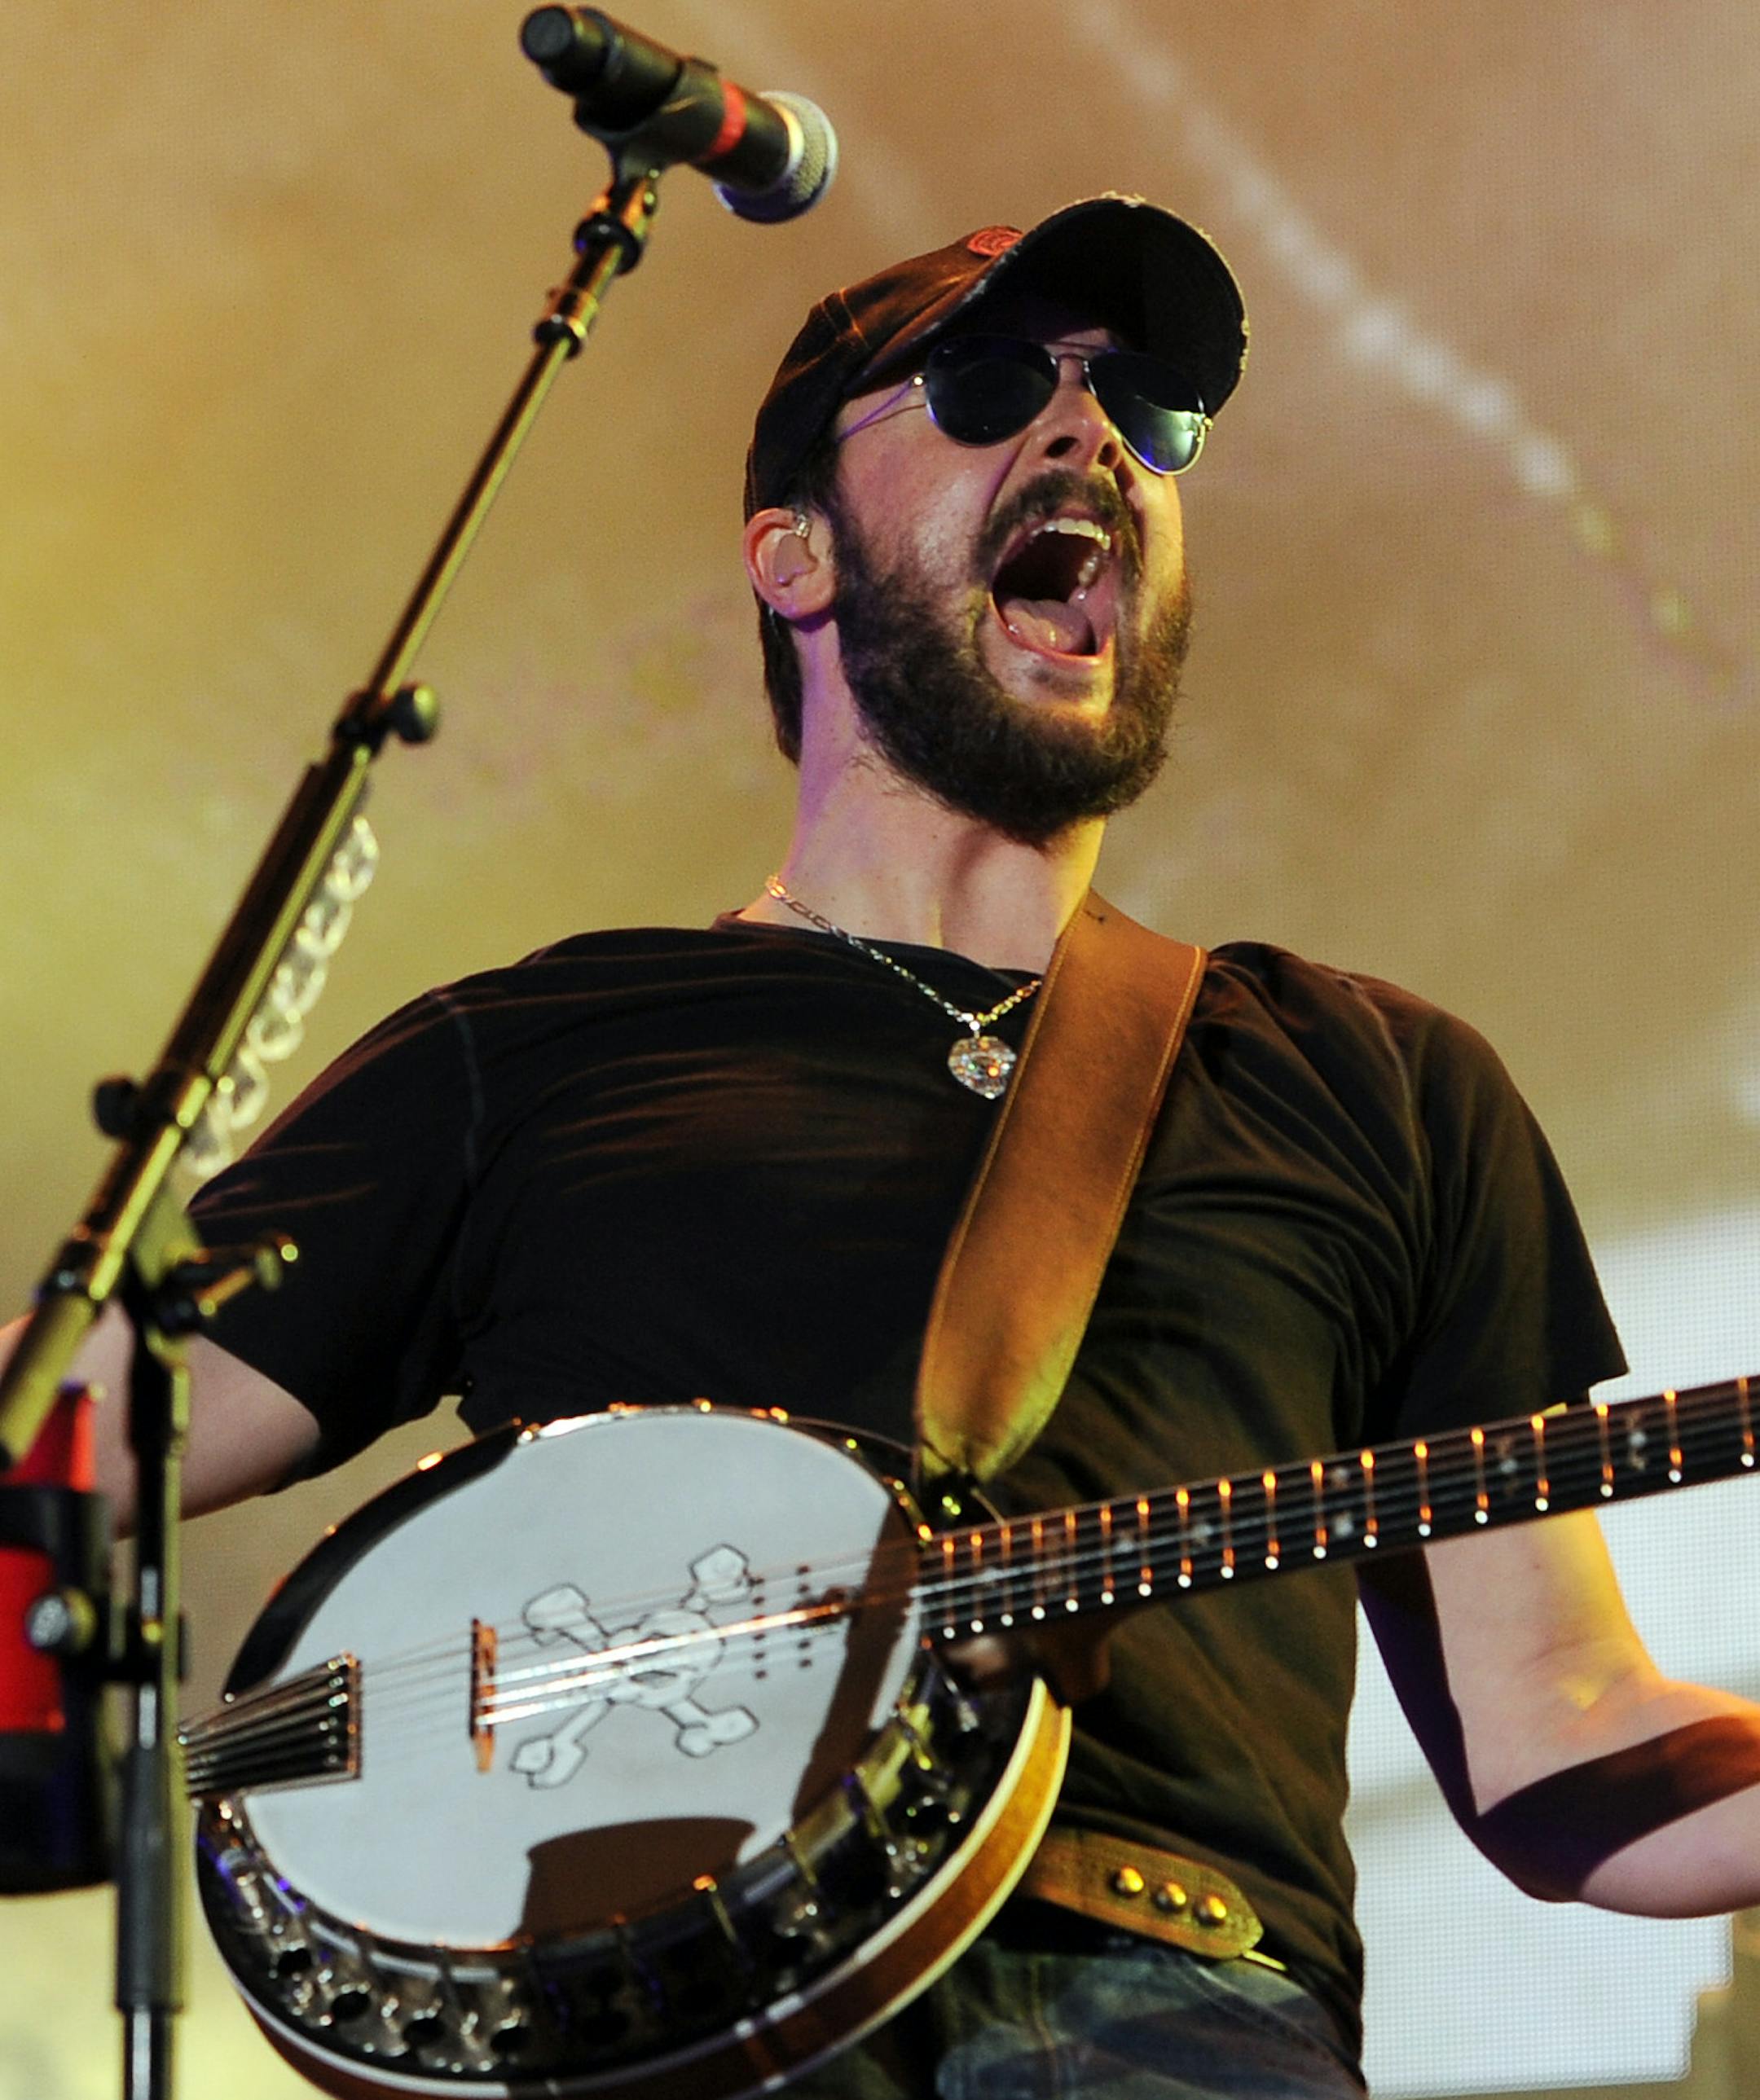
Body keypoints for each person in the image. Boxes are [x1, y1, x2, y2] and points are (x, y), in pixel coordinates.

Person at [9, 194, 1760, 2098]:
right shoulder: (529, 1054)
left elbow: (1565, 1730)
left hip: (1178, 2013)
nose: (1093, 430)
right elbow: (56, 1441)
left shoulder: (1380, 1083)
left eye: (1150, 409)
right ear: (795, 553)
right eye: (994, 380)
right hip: (650, 2018)